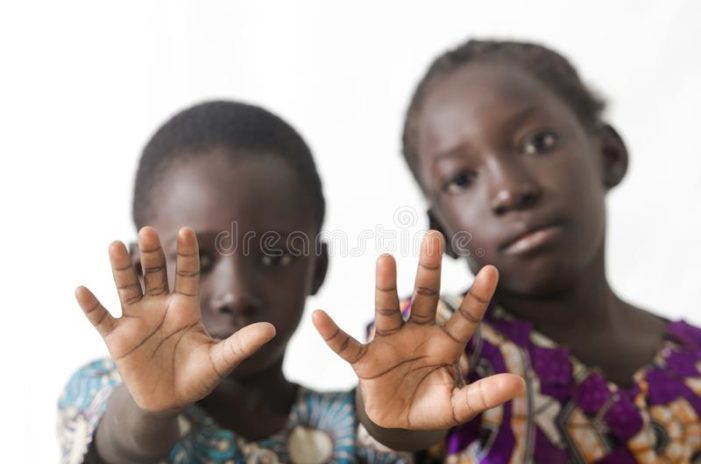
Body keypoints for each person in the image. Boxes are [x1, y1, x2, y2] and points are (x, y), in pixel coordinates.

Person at [314, 40, 701, 462]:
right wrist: (393, 424)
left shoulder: (693, 358)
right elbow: (398, 425)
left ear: (607, 155)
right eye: (462, 179)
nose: (509, 191)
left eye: (538, 143)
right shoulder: (443, 342)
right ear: (443, 229)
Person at [58, 101, 413, 463]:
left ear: (317, 268)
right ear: (140, 272)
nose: (235, 294)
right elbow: (123, 441)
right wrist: (147, 408)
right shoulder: (104, 392)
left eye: (275, 257)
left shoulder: (352, 430)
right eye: (197, 262)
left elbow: (399, 431)